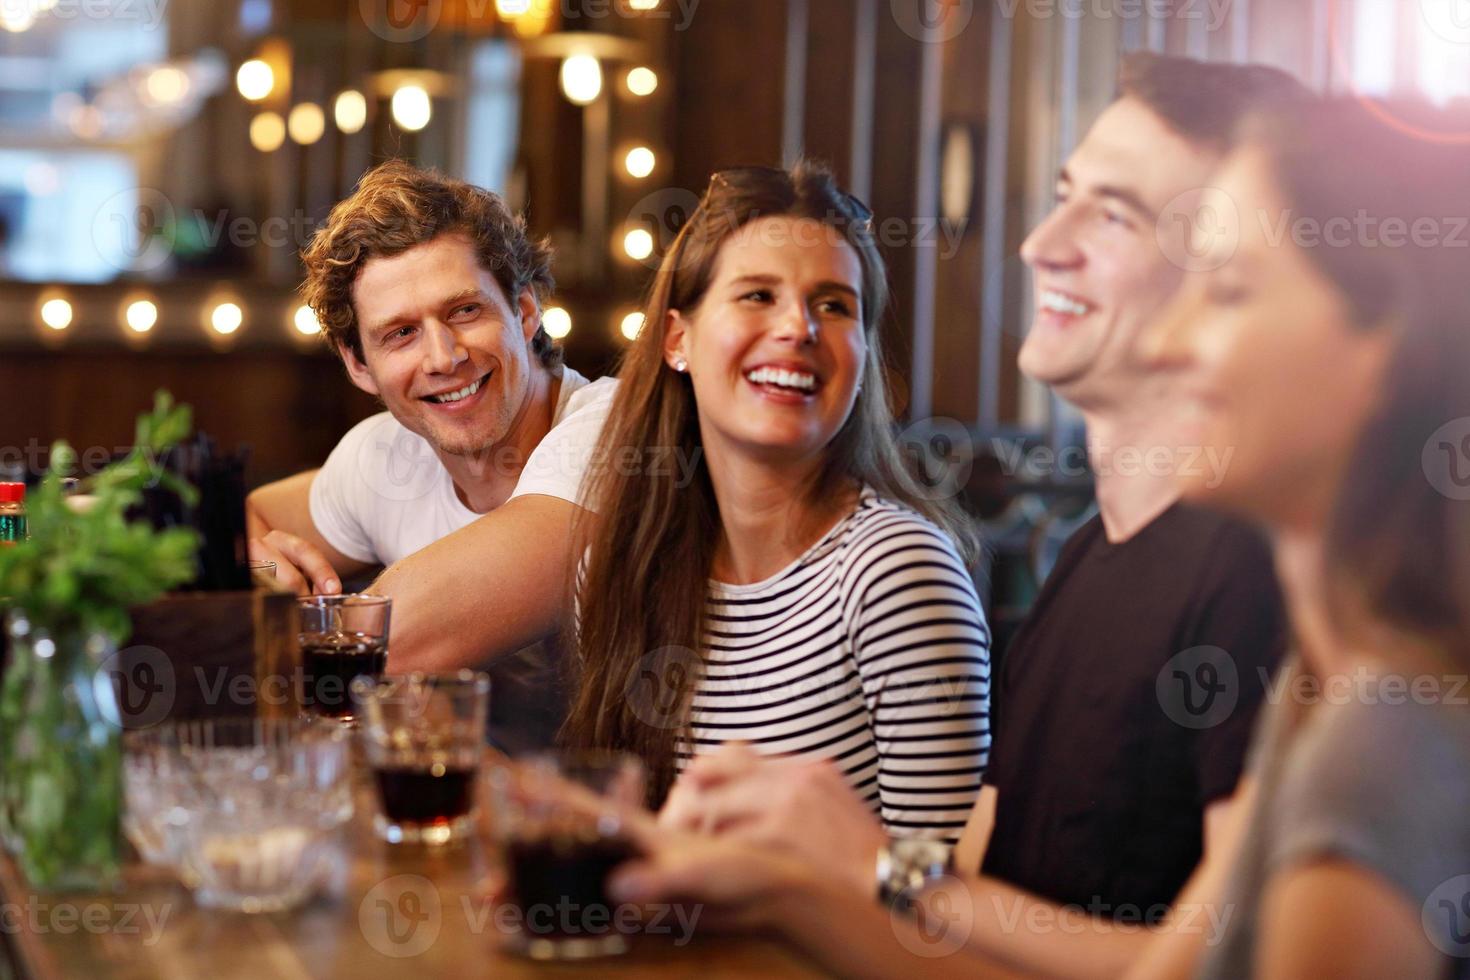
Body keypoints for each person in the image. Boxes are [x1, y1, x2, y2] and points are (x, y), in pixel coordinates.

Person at [606, 96, 1470, 980]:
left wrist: (868, 861)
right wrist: (766, 880)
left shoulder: (1386, 732)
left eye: (1230, 287)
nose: (1173, 338)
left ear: (1390, 347)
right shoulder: (1268, 664)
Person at [563, 162, 992, 837]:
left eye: (834, 305)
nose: (799, 327)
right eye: (758, 295)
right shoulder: (620, 564)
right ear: (680, 340)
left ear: (861, 356)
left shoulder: (897, 571)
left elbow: (936, 889)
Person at [246, 160, 615, 741]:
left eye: (464, 311)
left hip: (643, 816)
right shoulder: (382, 458)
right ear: (358, 365)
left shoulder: (614, 431)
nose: (443, 357)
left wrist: (249, 619)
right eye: (401, 334)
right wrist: (256, 566)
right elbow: (249, 518)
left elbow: (396, 641)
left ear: (523, 311)